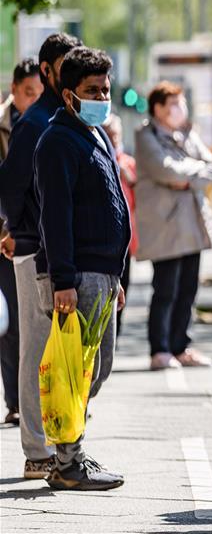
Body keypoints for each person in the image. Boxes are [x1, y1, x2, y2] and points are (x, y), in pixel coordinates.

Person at [33, 46, 128, 490]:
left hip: (104, 274)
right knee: (78, 368)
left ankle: (70, 453)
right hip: (80, 275)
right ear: (69, 94)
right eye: (93, 91)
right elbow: (56, 216)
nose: (102, 97)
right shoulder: (57, 141)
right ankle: (68, 461)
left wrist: (118, 276)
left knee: (97, 366)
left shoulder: (95, 134)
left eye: (106, 89)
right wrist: (64, 280)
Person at [0, 32, 82, 479]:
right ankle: (37, 450)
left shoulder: (70, 116)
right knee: (35, 350)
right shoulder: (36, 122)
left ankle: (60, 440)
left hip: (65, 255)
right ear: (48, 69)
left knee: (65, 353)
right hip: (35, 254)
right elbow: (10, 185)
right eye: (66, 64)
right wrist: (19, 230)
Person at [135, 82, 212, 370]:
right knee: (165, 289)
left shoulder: (188, 133)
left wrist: (187, 176)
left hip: (192, 225)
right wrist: (191, 172)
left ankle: (181, 346)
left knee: (188, 289)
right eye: (171, 104)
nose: (178, 109)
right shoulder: (146, 135)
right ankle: (159, 350)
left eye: (180, 103)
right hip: (164, 227)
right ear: (157, 108)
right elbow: (165, 169)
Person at [0, 58, 43, 426]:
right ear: (13, 90)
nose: (33, 99)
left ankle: (37, 399)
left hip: (28, 236)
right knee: (11, 322)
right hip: (5, 239)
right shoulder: (4, 125)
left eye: (38, 93)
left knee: (33, 321)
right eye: (28, 92)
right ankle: (15, 401)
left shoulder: (46, 124)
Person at [104, 114, 137, 334]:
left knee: (125, 282)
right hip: (105, 237)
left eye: (116, 135)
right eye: (109, 135)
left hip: (127, 237)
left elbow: (138, 193)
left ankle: (118, 328)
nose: (114, 140)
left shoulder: (127, 162)